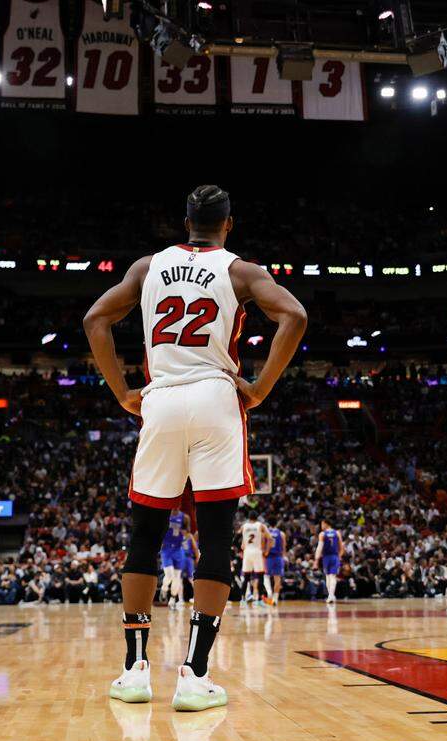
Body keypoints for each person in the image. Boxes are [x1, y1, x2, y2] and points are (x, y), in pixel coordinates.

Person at [84, 184, 307, 712]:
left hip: (159, 400)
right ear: (229, 225)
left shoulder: (146, 267)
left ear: (185, 221)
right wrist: (261, 386)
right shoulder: (242, 271)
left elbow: (95, 319)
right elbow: (294, 316)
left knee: (145, 533)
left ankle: (135, 669)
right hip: (215, 397)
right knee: (215, 536)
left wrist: (121, 392)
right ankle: (194, 673)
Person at [239, 511, 270, 605]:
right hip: (257, 552)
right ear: (257, 517)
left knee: (246, 577)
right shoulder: (260, 525)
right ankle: (260, 600)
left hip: (247, 552)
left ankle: (243, 599)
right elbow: (269, 537)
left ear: (248, 517)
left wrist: (241, 549)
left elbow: (238, 540)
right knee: (260, 576)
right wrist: (266, 550)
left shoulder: (243, 526)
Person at [160, 510, 188, 608]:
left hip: (178, 549)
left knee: (177, 577)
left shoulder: (185, 517)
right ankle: (164, 589)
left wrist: (183, 532)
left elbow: (187, 534)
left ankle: (172, 599)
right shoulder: (164, 514)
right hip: (166, 549)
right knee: (169, 575)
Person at [314, 518, 342, 604]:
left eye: (322, 524)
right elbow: (341, 546)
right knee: (332, 576)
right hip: (335, 556)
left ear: (326, 524)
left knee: (328, 576)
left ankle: (330, 595)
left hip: (326, 557)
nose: (321, 526)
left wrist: (316, 560)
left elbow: (319, 548)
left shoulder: (322, 534)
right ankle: (331, 595)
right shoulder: (337, 533)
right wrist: (339, 556)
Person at [264, 518, 285, 606]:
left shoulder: (266, 532)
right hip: (278, 557)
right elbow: (284, 547)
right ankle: (275, 599)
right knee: (277, 578)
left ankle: (269, 593)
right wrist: (283, 558)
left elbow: (264, 544)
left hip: (269, 557)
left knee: (266, 576)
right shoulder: (282, 534)